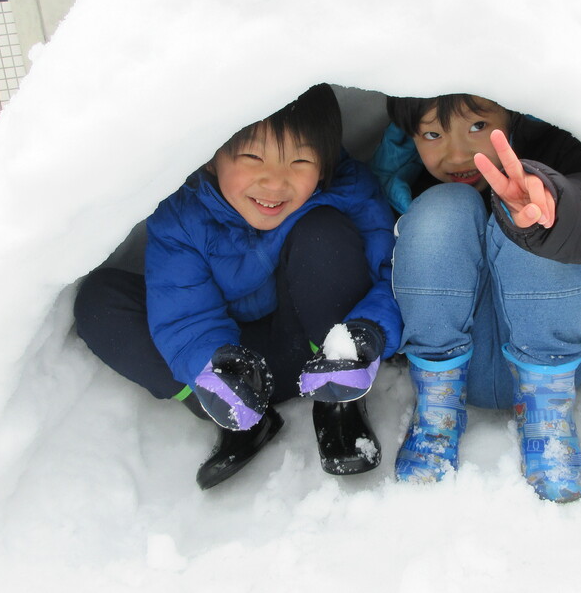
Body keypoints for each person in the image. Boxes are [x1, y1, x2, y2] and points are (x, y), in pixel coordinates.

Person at [75, 84, 402, 490]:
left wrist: (365, 335)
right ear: (212, 157)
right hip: (227, 369)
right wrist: (217, 372)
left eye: (300, 160)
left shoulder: (345, 191)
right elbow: (184, 314)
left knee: (324, 233)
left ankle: (339, 401)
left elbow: (391, 274)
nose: (275, 183)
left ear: (325, 163)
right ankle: (236, 415)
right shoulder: (182, 214)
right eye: (252, 156)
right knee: (99, 302)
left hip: (314, 349)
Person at [370, 94, 581, 502]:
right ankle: (437, 414)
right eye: (433, 134)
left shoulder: (557, 144)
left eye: (476, 127)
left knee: (528, 216)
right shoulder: (401, 180)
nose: (458, 154)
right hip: (450, 369)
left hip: (556, 364)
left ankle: (548, 422)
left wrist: (556, 205)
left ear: (512, 113)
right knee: (442, 207)